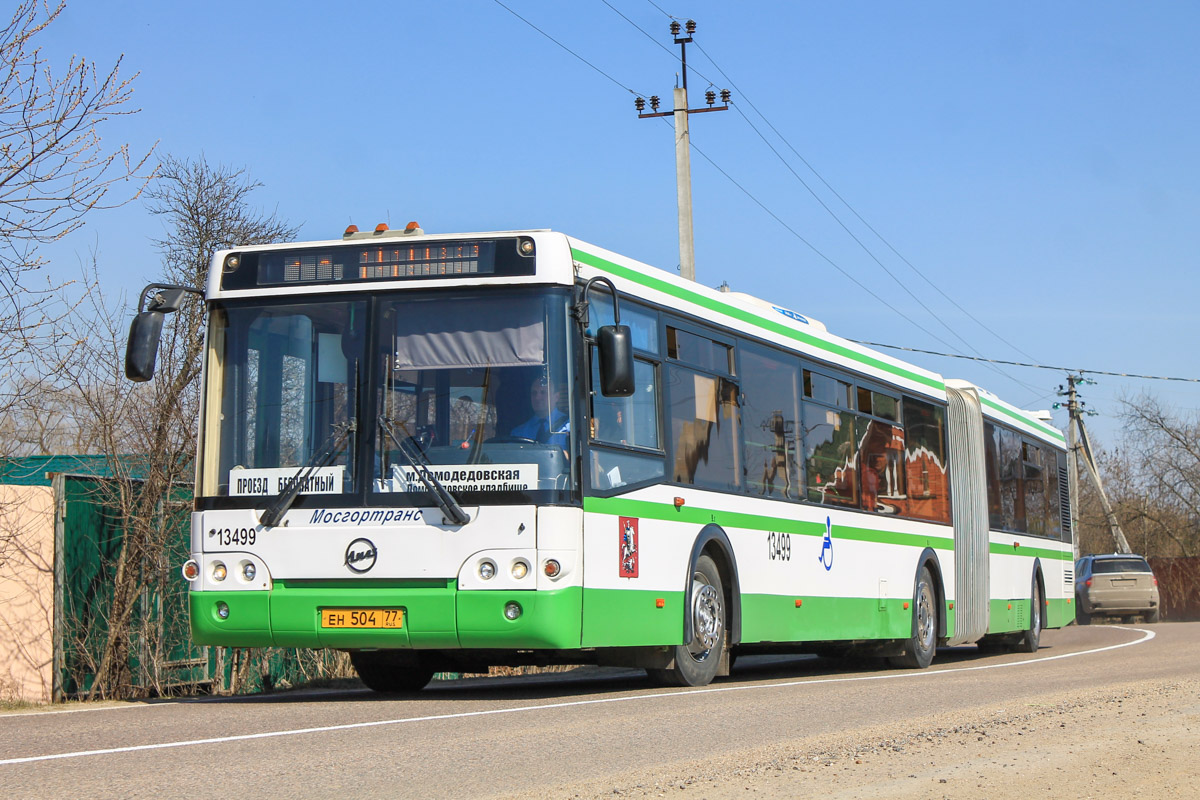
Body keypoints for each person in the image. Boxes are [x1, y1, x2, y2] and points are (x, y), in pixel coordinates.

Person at [511, 377, 569, 446]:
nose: (537, 397)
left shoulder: (569, 428)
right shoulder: (518, 433)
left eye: (543, 392)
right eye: (534, 393)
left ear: (556, 397)